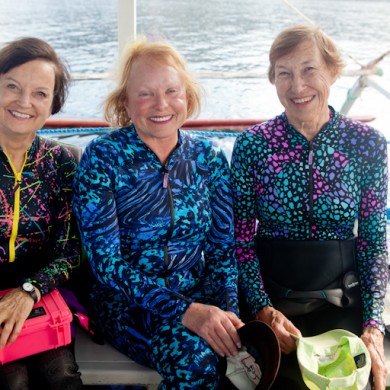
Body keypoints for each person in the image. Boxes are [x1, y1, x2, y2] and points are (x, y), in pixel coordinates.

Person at [72, 39, 244, 389]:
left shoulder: (208, 158)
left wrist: (228, 314)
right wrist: (185, 311)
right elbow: (105, 264)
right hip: (124, 301)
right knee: (194, 361)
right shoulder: (103, 158)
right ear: (126, 103)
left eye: (171, 91)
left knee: (244, 348)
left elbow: (222, 248)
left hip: (198, 294)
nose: (161, 104)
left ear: (187, 96)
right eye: (146, 94)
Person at [231, 24, 388, 390]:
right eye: (283, 73)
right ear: (272, 79)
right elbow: (239, 239)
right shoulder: (252, 146)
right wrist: (261, 308)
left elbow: (373, 241)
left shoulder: (367, 145)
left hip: (342, 299)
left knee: (349, 378)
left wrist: (373, 326)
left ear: (332, 71)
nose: (297, 86)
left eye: (308, 69)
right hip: (270, 298)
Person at [0, 37, 83, 389]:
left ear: (52, 105)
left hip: (41, 289)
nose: (23, 102)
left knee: (61, 377)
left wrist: (29, 291)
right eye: (12, 87)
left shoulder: (62, 162)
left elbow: (71, 250)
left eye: (39, 93)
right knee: (11, 380)